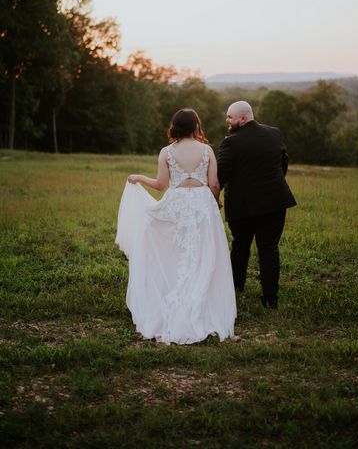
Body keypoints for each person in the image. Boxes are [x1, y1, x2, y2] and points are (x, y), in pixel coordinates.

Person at [115, 108, 236, 345]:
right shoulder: (207, 150)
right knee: (203, 252)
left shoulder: (167, 152)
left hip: (177, 203)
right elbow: (214, 183)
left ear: (176, 126)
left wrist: (139, 178)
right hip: (202, 204)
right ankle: (202, 299)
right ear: (196, 126)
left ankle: (173, 294)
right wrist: (215, 202)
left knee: (177, 251)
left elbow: (160, 185)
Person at [217, 101, 296, 309]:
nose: (227, 120)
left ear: (243, 119)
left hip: (243, 206)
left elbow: (220, 176)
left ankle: (236, 288)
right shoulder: (274, 134)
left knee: (240, 246)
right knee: (269, 249)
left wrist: (214, 196)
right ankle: (270, 298)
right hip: (275, 202)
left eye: (230, 117)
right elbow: (283, 165)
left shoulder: (230, 143)